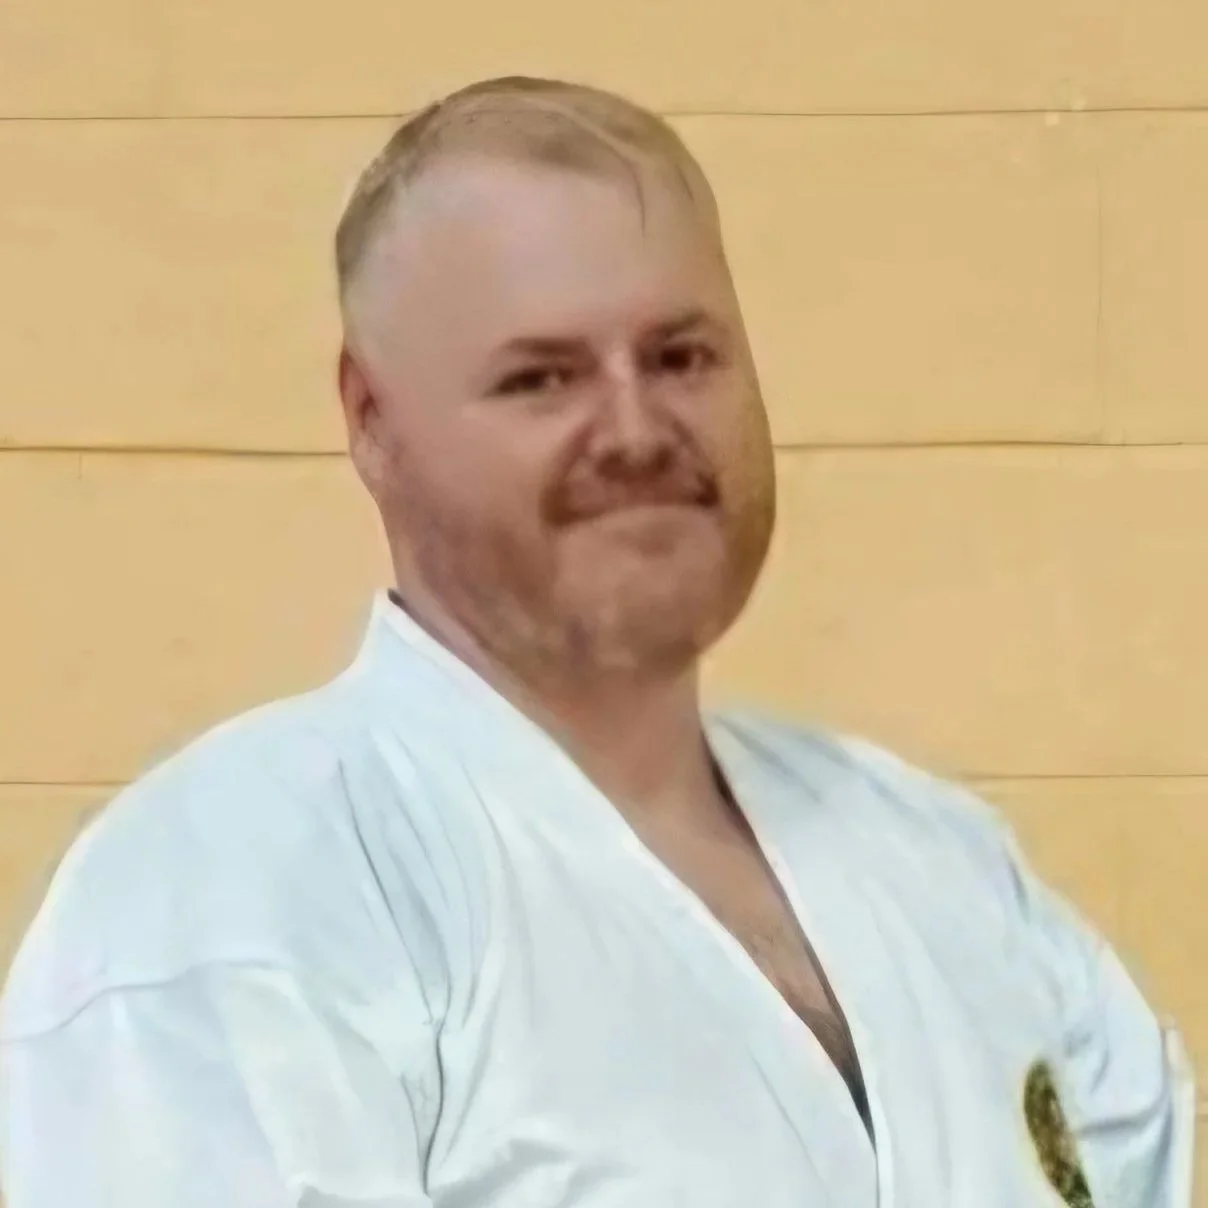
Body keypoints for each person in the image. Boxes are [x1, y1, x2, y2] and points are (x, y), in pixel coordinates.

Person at [0, 76, 1194, 1208]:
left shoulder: (942, 859)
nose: (633, 428)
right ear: (371, 421)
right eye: (540, 378)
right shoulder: (239, 892)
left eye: (680, 357)